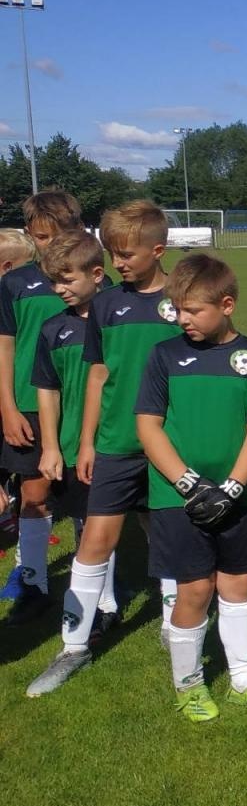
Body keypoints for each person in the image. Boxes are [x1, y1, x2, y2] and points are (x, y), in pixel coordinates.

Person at [27, 201, 183, 696]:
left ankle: (175, 626)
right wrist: (88, 440)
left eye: (126, 254)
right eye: (113, 254)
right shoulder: (107, 305)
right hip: (116, 442)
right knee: (95, 540)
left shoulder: (182, 298)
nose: (118, 263)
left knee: (166, 534)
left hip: (168, 443)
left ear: (158, 250)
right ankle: (73, 646)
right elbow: (98, 374)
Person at [136, 254, 247, 720]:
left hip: (236, 496)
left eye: (193, 310)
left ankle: (244, 680)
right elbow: (148, 427)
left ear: (226, 305)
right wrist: (189, 484)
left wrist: (232, 487)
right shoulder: (164, 356)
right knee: (194, 589)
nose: (182, 319)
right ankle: (189, 687)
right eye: (178, 310)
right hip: (176, 496)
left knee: (238, 582)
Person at [23, 232, 115, 635]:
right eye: (53, 281)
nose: (58, 289)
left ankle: (171, 610)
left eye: (66, 280)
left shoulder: (122, 320)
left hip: (125, 438)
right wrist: (50, 446)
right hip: (77, 443)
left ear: (96, 274)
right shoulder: (53, 329)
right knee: (86, 521)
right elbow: (48, 390)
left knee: (153, 522)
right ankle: (104, 605)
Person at [0, 193, 77, 622]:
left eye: (59, 235)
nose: (51, 245)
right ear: (31, 236)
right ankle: (33, 583)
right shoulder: (15, 282)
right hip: (29, 405)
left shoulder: (94, 279)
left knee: (86, 494)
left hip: (81, 404)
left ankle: (99, 583)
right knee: (33, 492)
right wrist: (8, 408)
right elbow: (5, 349)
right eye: (42, 237)